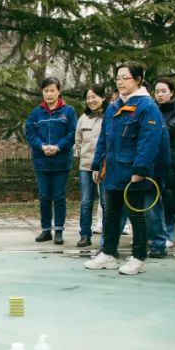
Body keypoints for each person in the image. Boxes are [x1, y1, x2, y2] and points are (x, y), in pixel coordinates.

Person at [85, 62, 163, 275]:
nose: (120, 82)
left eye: (125, 78)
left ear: (138, 80)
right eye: (117, 78)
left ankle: (139, 257)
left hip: (132, 171)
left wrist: (140, 169)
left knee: (136, 215)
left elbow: (149, 141)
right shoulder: (113, 106)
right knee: (110, 214)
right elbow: (104, 138)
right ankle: (108, 253)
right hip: (112, 170)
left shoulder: (147, 106)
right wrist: (97, 164)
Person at [24, 76, 77, 244]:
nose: (49, 94)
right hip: (41, 162)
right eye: (46, 91)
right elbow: (29, 133)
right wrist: (41, 146)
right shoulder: (36, 113)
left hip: (61, 162)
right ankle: (46, 230)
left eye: (52, 90)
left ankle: (59, 230)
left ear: (59, 91)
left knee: (59, 196)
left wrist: (58, 147)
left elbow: (73, 134)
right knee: (44, 196)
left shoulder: (68, 111)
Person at [153, 78, 175, 252]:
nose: (160, 94)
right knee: (154, 200)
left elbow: (169, 129)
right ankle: (155, 234)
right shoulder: (152, 109)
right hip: (155, 160)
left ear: (171, 92)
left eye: (163, 91)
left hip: (173, 160)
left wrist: (152, 128)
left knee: (170, 200)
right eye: (157, 91)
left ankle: (168, 235)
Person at [74, 85, 105, 247]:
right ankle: (85, 235)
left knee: (106, 202)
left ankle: (108, 238)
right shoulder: (83, 118)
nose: (91, 100)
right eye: (88, 98)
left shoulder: (110, 116)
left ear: (103, 98)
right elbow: (77, 141)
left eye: (94, 97)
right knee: (86, 201)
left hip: (105, 167)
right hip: (86, 166)